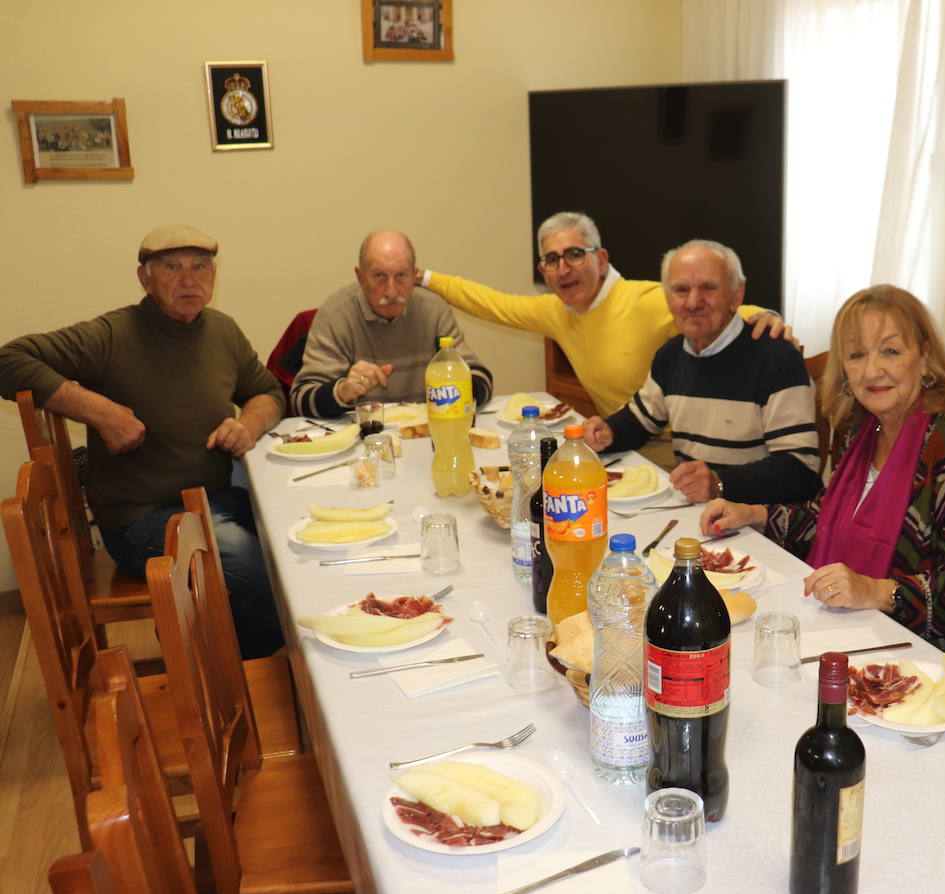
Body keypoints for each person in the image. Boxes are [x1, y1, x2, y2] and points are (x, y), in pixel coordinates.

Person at [0, 225, 285, 658]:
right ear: (145, 279)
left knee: (297, 543)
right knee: (261, 575)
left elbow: (268, 392)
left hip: (213, 501)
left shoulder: (222, 331)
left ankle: (215, 651)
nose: (189, 280)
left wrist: (248, 422)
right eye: (171, 267)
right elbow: (9, 360)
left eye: (200, 267)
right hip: (141, 520)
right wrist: (101, 412)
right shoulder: (113, 335)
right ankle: (234, 685)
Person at [699, 284, 945, 654]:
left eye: (891, 351)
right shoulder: (865, 428)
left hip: (922, 652)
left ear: (925, 357)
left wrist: (875, 591)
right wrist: (755, 514)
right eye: (857, 355)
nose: (872, 371)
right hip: (842, 624)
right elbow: (829, 520)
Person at [418, 211, 790, 416]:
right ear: (543, 270)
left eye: (576, 254)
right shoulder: (555, 311)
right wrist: (425, 278)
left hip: (673, 451)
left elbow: (715, 304)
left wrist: (767, 314)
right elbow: (491, 303)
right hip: (622, 442)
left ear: (602, 258)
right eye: (552, 259)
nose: (564, 268)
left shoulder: (640, 301)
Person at [582, 240, 821, 505]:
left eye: (708, 288)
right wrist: (608, 432)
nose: (693, 302)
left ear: (737, 295)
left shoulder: (777, 358)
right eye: (681, 290)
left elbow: (801, 471)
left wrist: (719, 483)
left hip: (756, 523)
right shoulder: (670, 356)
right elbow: (640, 421)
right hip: (695, 511)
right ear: (668, 299)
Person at [290, 230, 492, 418]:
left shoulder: (433, 310)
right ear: (360, 277)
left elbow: (481, 379)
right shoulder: (336, 314)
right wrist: (342, 391)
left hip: (424, 433)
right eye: (379, 276)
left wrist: (453, 383)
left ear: (415, 275)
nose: (391, 291)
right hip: (364, 439)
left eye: (401, 276)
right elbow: (300, 399)